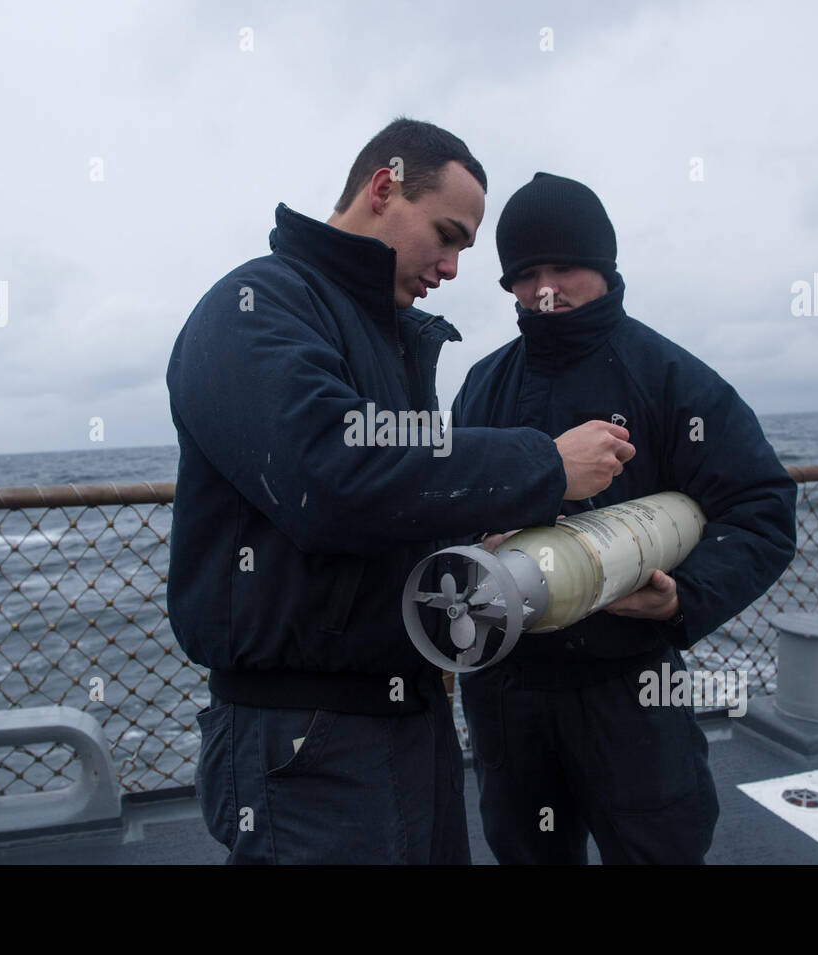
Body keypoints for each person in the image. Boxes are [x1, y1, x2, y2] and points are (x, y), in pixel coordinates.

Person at [165, 125, 632, 864]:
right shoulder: (253, 307)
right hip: (304, 735)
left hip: (412, 714)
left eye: (465, 252)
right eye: (446, 236)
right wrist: (544, 463)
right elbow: (328, 477)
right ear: (382, 187)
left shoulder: (388, 337)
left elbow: (390, 501)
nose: (450, 267)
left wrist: (462, 545)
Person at [451, 172, 798, 864]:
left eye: (565, 267)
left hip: (631, 687)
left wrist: (685, 598)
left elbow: (762, 508)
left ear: (605, 269)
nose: (545, 288)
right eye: (526, 273)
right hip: (506, 692)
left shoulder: (669, 378)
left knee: (658, 848)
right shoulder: (482, 385)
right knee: (525, 850)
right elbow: (445, 516)